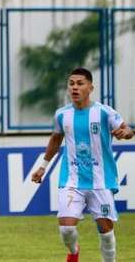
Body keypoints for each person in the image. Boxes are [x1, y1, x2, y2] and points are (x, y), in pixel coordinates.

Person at [31, 67, 133, 262]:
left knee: (106, 232)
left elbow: (127, 129)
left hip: (101, 181)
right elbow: (55, 139)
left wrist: (126, 133)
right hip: (72, 180)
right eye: (71, 84)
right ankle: (74, 251)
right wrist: (43, 166)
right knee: (66, 228)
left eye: (80, 83)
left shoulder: (104, 112)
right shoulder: (62, 115)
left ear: (90, 87)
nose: (75, 88)